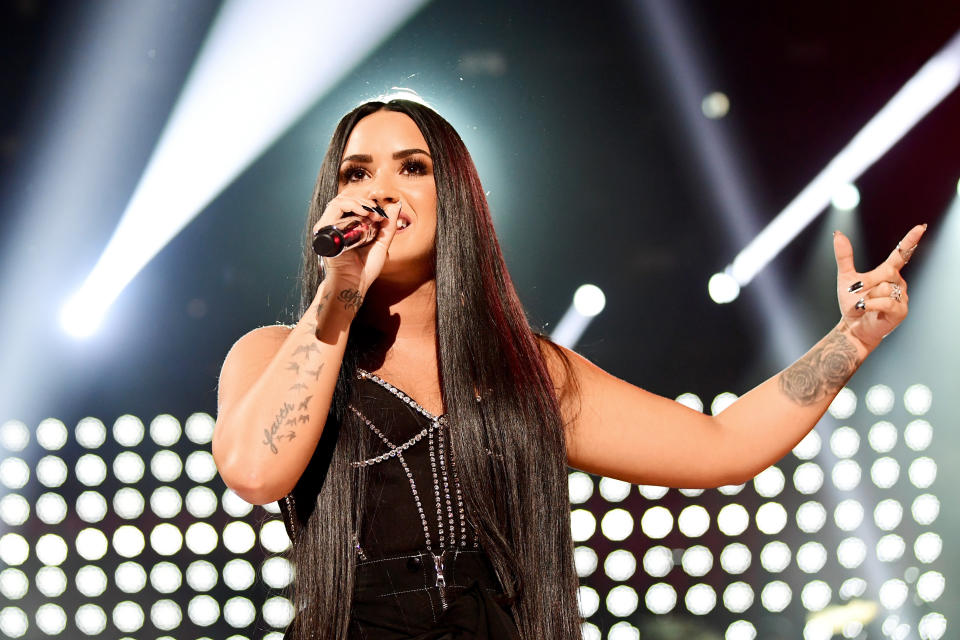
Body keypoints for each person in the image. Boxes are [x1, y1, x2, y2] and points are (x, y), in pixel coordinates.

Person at [211, 96, 926, 640]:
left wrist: (850, 342)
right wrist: (340, 287)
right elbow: (254, 470)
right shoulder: (275, 353)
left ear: (452, 198)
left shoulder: (527, 371)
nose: (382, 189)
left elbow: (722, 446)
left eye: (413, 167)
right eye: (358, 171)